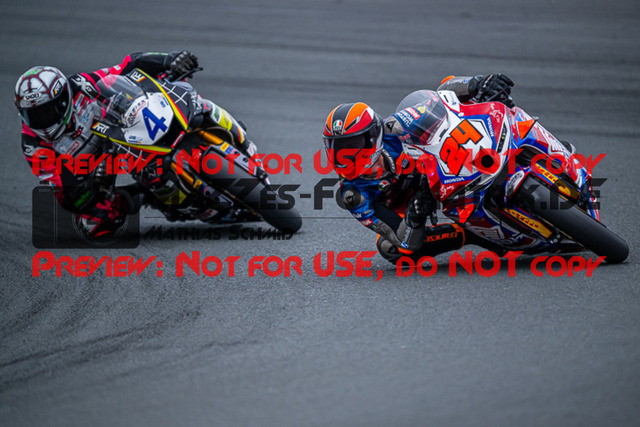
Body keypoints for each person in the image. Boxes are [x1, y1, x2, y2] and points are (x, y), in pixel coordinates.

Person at [15, 51, 255, 238]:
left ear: (63, 98)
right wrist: (90, 186)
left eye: (46, 111)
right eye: (32, 115)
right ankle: (151, 196)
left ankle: (237, 136)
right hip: (93, 168)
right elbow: (65, 192)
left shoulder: (80, 84)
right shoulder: (34, 145)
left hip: (119, 131)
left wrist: (169, 60)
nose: (40, 120)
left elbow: (127, 66)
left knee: (194, 102)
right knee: (96, 224)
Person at [322, 74, 515, 262]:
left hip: (447, 163)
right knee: (390, 249)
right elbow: (402, 241)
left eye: (352, 145)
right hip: (420, 201)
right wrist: (413, 218)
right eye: (337, 148)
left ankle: (514, 132)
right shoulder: (354, 195)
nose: (344, 155)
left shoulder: (394, 128)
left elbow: (441, 95)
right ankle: (471, 235)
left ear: (372, 137)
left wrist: (475, 84)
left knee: (457, 101)